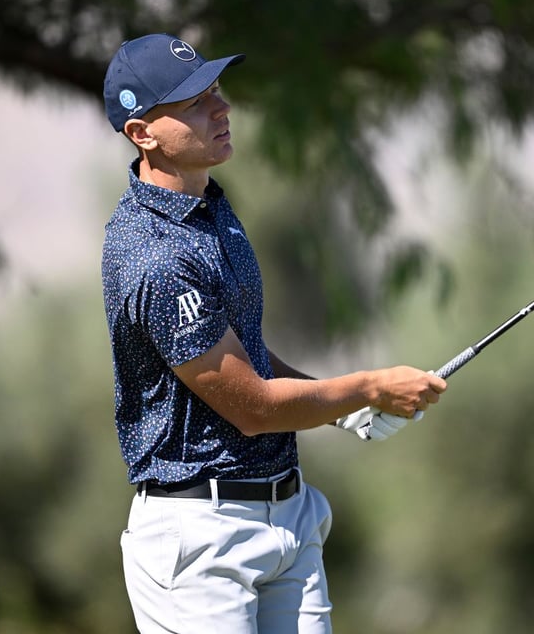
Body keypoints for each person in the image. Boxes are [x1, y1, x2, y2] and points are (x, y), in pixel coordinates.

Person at [99, 33, 447, 633]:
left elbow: (248, 360)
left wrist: (341, 410)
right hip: (200, 543)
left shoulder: (212, 211)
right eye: (193, 104)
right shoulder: (153, 257)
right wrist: (366, 388)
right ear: (142, 134)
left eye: (216, 92)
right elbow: (254, 408)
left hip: (288, 516)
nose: (221, 109)